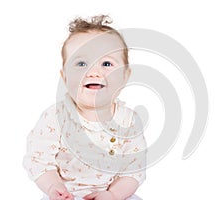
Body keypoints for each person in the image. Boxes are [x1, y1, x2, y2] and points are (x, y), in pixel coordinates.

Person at [23, 15, 147, 200]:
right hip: (65, 194)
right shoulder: (55, 117)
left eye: (106, 64)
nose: (93, 72)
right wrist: (53, 187)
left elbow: (133, 171)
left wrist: (113, 194)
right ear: (64, 77)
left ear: (125, 76)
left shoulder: (128, 121)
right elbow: (39, 161)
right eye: (81, 64)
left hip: (113, 195)